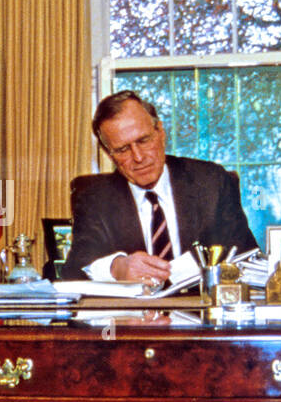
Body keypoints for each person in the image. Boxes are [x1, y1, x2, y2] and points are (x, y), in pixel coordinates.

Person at [61, 91, 259, 282]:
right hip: (132, 315)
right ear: (108, 153)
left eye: (144, 140)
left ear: (161, 132)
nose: (138, 157)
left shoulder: (210, 182)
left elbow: (246, 256)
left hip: (201, 310)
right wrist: (116, 268)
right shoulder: (94, 197)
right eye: (122, 149)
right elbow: (75, 268)